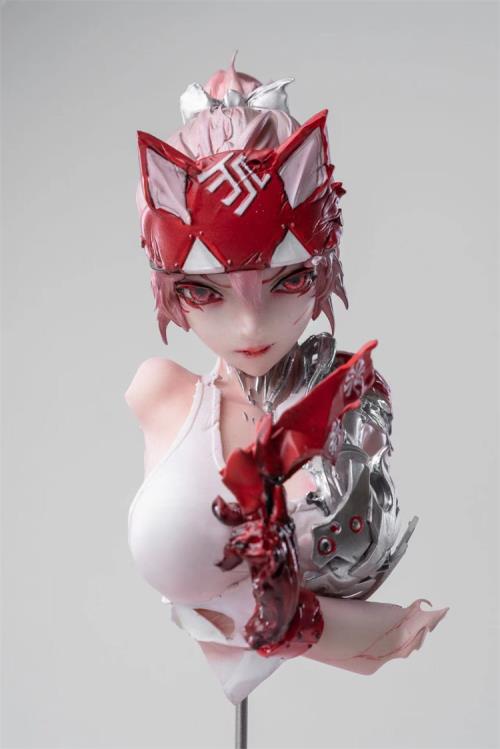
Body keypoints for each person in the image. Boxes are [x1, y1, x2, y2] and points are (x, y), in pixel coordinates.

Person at [126, 57, 447, 705]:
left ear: (323, 266)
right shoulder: (159, 393)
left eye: (289, 280)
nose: (251, 324)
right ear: (168, 286)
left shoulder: (347, 403)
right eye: (205, 291)